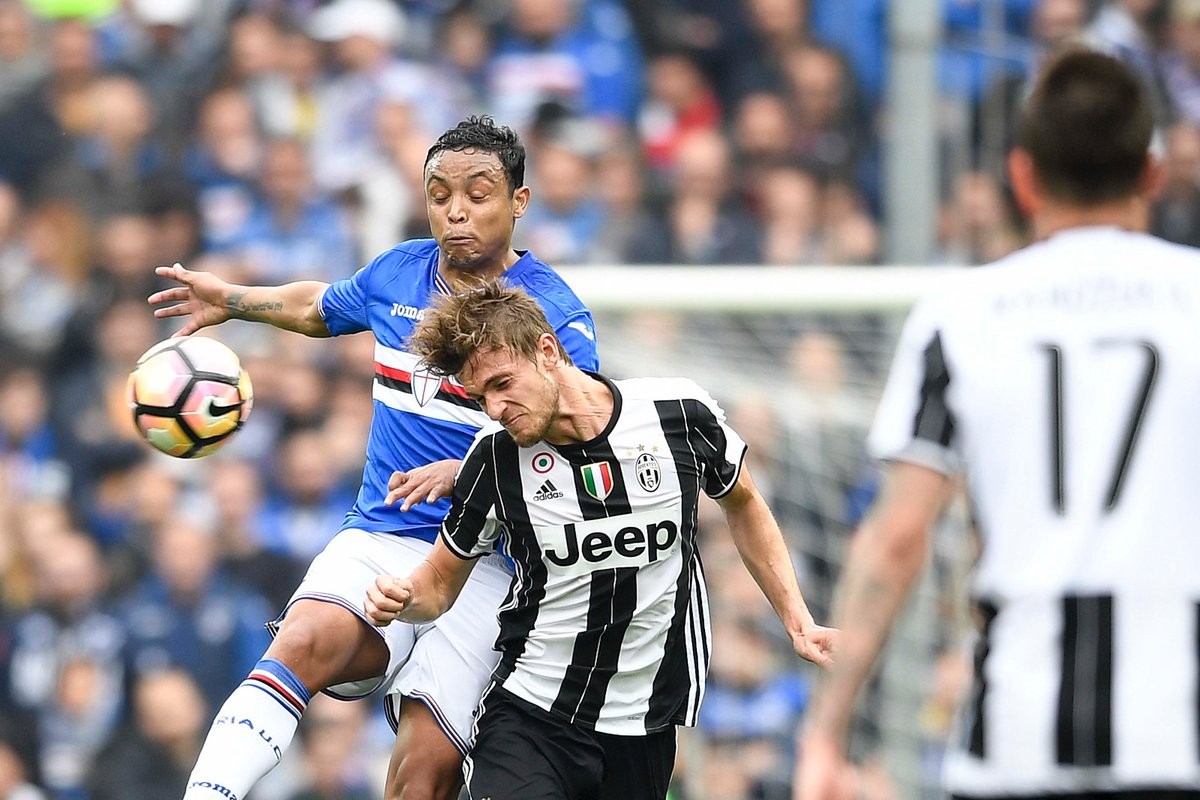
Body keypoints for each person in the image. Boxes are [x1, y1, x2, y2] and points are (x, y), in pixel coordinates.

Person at [148, 116, 599, 800]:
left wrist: (472, 474)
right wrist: (233, 302)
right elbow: (317, 307)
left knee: (423, 770)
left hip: (496, 566)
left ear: (519, 202)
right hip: (383, 533)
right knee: (302, 639)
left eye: (478, 194)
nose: (456, 211)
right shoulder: (398, 272)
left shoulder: (556, 317)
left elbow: (584, 442)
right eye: (440, 194)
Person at [797, 50, 1200, 800]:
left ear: (1022, 177)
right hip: (1179, 736)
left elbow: (896, 539)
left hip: (1017, 735)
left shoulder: (963, 315)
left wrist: (827, 730)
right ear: (1152, 173)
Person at [363, 280, 837, 800]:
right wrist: (403, 598)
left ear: (547, 351)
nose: (494, 408)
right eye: (481, 398)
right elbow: (437, 584)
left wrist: (797, 618)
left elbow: (743, 502)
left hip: (644, 723)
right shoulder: (495, 460)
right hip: (533, 714)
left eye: (502, 384)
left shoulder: (678, 414)